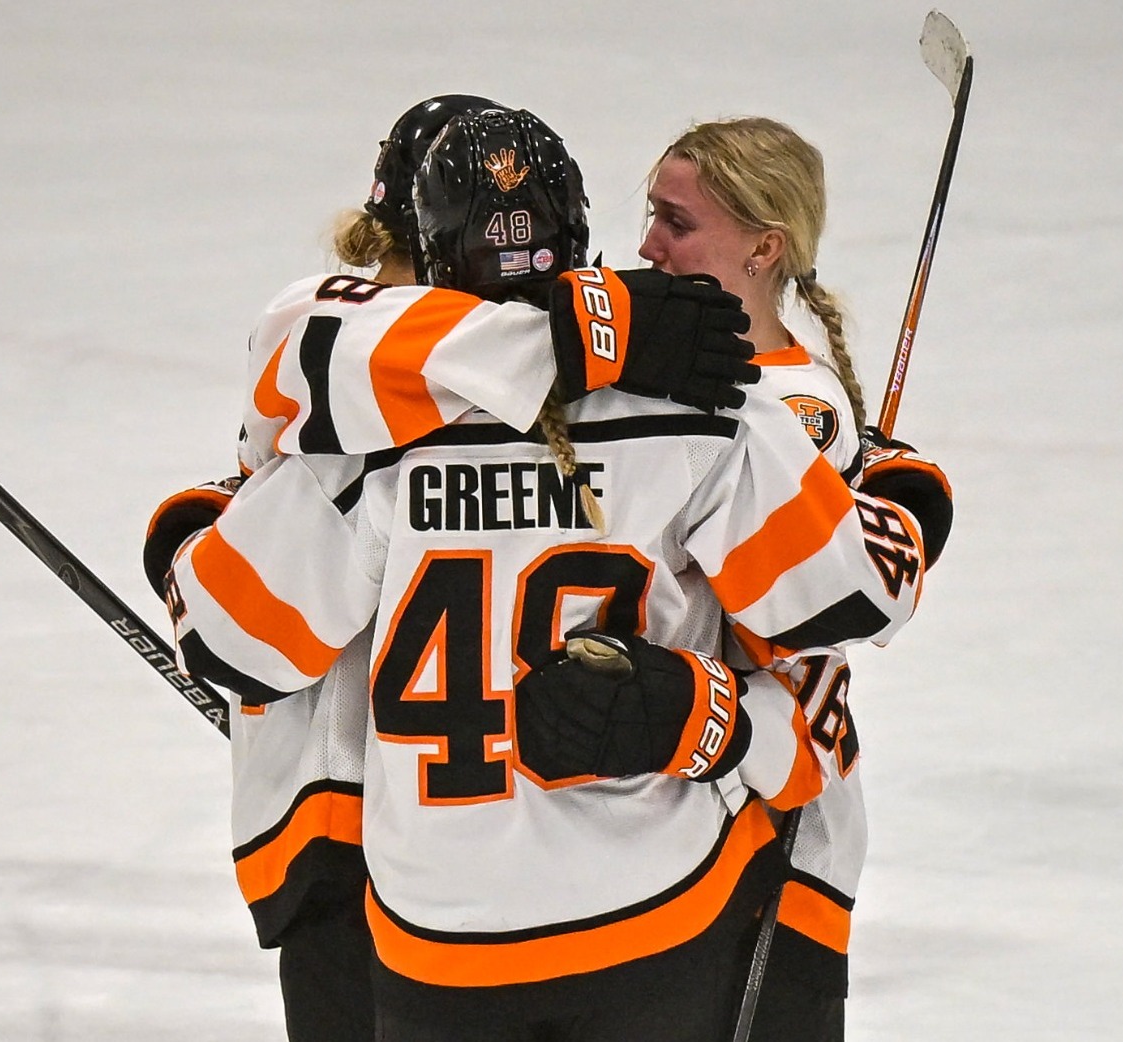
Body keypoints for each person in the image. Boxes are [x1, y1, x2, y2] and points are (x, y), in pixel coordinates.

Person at [159, 106, 930, 1041]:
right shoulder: (710, 405)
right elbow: (836, 608)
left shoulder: (351, 440)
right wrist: (900, 506)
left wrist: (198, 533)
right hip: (657, 907)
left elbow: (229, 643)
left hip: (430, 924)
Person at [640, 116, 954, 1040]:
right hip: (669, 803)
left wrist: (891, 515)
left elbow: (796, 616)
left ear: (762, 247)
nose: (649, 245)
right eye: (650, 215)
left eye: (676, 223)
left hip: (763, 832)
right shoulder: (667, 373)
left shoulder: (788, 409)